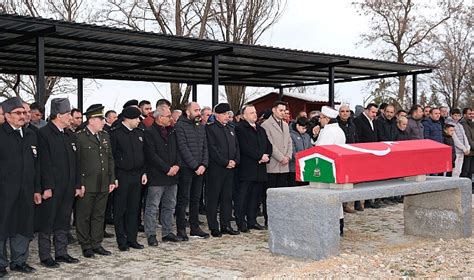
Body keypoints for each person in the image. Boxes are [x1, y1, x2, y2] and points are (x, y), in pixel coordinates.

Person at [35, 98, 81, 268]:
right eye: (68, 114)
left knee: (63, 221)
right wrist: (46, 187)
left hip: (68, 187)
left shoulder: (70, 135)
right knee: (47, 221)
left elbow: (76, 162)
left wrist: (77, 184)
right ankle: (45, 255)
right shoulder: (44, 134)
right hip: (52, 187)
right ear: (58, 115)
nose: (71, 117)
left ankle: (61, 252)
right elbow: (43, 164)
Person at [0, 97, 40, 276]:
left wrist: (37, 189)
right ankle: (1, 264)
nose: (23, 116)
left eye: (24, 112)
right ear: (7, 116)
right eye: (18, 113)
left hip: (26, 190)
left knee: (23, 225)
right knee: (2, 227)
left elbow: (38, 165)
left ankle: (19, 261)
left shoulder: (32, 134)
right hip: (4, 191)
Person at [75, 104, 116, 258]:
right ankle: (85, 245)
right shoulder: (79, 137)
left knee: (99, 214)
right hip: (87, 183)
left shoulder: (105, 136)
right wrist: (79, 183)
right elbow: (77, 163)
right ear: (91, 120)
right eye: (100, 119)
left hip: (103, 182)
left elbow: (110, 158)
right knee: (84, 215)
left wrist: (112, 179)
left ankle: (96, 243)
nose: (103, 122)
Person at [144, 105, 182, 246]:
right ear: (160, 117)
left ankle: (167, 232)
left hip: (173, 175)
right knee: (153, 206)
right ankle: (151, 234)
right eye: (168, 116)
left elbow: (178, 150)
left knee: (170, 205)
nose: (171, 119)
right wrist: (167, 168)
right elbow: (151, 155)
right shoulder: (149, 132)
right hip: (157, 175)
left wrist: (177, 165)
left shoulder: (172, 131)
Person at [110, 106, 147, 251]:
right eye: (137, 118)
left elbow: (144, 155)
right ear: (129, 119)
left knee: (134, 208)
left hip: (137, 175)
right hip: (122, 175)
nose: (139, 121)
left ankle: (132, 238)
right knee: (120, 209)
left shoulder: (139, 133)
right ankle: (121, 240)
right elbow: (111, 157)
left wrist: (144, 172)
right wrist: (114, 177)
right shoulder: (116, 134)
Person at [175, 102, 210, 240]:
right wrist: (195, 166)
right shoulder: (180, 126)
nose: (198, 113)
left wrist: (203, 164)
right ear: (188, 112)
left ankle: (195, 227)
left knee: (196, 199)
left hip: (200, 169)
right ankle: (181, 229)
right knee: (183, 199)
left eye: (199, 110)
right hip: (186, 168)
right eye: (195, 110)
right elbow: (182, 147)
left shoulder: (200, 126)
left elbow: (205, 147)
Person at [235, 104, 272, 232]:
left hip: (260, 168)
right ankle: (241, 221)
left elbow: (268, 145)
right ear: (244, 116)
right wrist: (259, 156)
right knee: (243, 196)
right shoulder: (240, 129)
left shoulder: (260, 129)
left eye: (255, 112)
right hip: (247, 168)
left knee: (255, 197)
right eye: (251, 113)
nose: (255, 114)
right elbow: (244, 147)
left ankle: (252, 220)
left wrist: (267, 155)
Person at [205, 103, 240, 237]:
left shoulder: (231, 128)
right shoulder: (211, 129)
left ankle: (226, 225)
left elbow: (236, 146)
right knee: (213, 198)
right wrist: (225, 162)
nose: (227, 116)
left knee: (227, 198)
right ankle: (214, 226)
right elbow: (213, 149)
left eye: (228, 114)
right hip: (216, 169)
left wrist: (235, 161)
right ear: (217, 115)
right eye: (224, 114)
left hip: (230, 168)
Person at [315, 106, 346, 236]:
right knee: (336, 199)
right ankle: (339, 226)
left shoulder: (328, 132)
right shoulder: (338, 130)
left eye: (321, 118)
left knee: (325, 197)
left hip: (325, 168)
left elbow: (319, 149)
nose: (319, 120)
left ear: (327, 119)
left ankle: (330, 226)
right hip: (336, 167)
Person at [261, 101, 292, 226]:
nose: (283, 113)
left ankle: (279, 217)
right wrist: (280, 157)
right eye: (280, 110)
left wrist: (288, 156)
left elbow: (289, 142)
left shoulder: (285, 125)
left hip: (284, 165)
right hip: (273, 165)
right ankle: (269, 219)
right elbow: (270, 145)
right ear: (274, 110)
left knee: (281, 194)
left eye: (284, 110)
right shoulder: (266, 125)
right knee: (270, 194)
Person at [353, 103, 380, 209]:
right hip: (362, 153)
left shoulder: (374, 121)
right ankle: (357, 201)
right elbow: (358, 137)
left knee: (370, 177)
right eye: (373, 112)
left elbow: (376, 136)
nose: (374, 114)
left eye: (376, 113)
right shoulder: (358, 121)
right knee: (360, 178)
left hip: (372, 153)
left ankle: (368, 200)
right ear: (367, 110)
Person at [337, 104, 358, 212]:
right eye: (342, 111)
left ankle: (348, 203)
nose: (345, 113)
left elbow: (356, 139)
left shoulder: (352, 125)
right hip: (340, 155)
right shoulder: (336, 125)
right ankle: (340, 203)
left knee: (350, 181)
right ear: (339, 113)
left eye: (347, 111)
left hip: (351, 156)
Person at [446, 108, 470, 177]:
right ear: (451, 115)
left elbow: (464, 136)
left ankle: (457, 183)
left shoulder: (460, 125)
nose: (457, 117)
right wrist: (463, 148)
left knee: (459, 170)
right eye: (455, 115)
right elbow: (455, 139)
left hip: (462, 151)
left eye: (458, 116)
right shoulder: (449, 124)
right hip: (456, 151)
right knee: (455, 170)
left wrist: (467, 147)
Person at [289, 117, 312, 186]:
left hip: (305, 168)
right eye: (303, 128)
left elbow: (310, 149)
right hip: (294, 168)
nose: (304, 130)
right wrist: (301, 159)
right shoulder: (291, 135)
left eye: (306, 128)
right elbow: (292, 151)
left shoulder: (307, 136)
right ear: (297, 125)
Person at [461, 108, 474, 186]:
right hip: (468, 151)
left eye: (472, 114)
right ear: (465, 115)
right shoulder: (463, 124)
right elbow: (468, 138)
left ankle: (469, 187)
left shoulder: (471, 123)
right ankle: (464, 187)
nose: (471, 115)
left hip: (472, 152)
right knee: (465, 170)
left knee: (471, 170)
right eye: (469, 114)